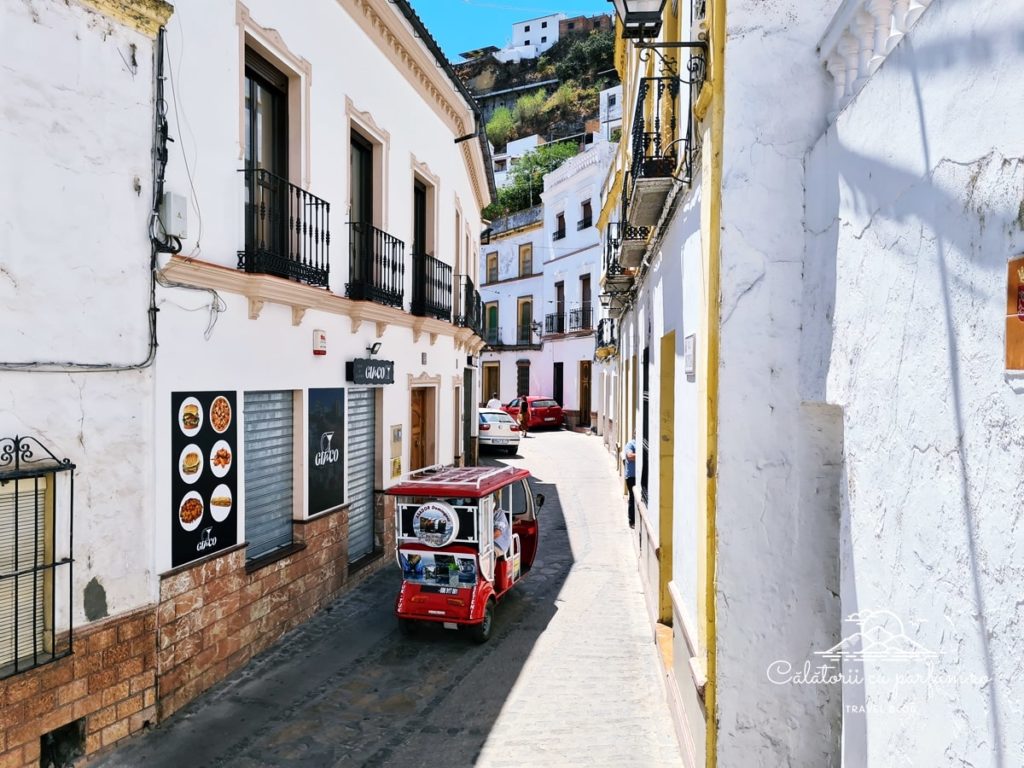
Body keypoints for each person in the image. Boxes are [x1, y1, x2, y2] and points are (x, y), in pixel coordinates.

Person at [623, 436, 637, 529]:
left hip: (639, 476)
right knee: (632, 497)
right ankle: (631, 520)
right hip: (631, 476)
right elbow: (630, 456)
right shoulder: (631, 444)